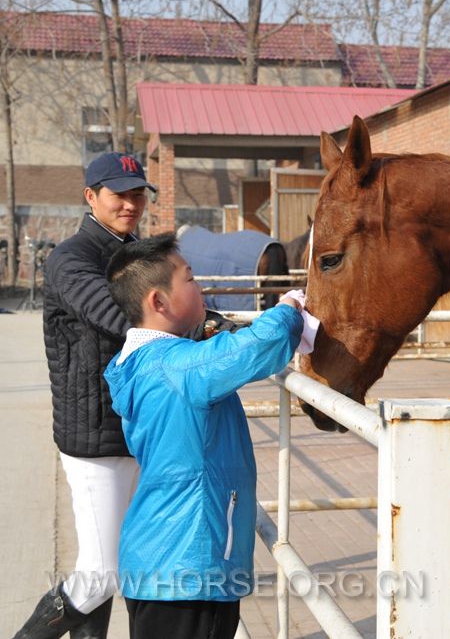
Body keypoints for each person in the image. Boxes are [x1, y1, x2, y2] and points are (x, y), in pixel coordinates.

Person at [13, 153, 236, 639]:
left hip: (140, 431)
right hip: (95, 437)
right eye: (119, 193)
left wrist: (212, 322)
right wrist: (202, 335)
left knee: (113, 562)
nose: (131, 203)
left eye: (138, 193)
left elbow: (177, 297)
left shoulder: (139, 253)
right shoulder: (71, 259)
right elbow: (124, 321)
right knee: (101, 573)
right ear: (91, 197)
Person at [103, 233, 307, 639]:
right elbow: (257, 347)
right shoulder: (179, 368)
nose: (201, 288)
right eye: (191, 279)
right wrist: (290, 309)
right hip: (191, 566)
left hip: (154, 559)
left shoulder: (139, 362)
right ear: (158, 302)